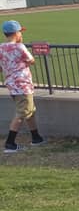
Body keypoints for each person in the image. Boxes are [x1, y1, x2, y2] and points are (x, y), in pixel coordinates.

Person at [1, 20, 45, 153]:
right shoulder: (20, 47)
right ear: (16, 33)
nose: (21, 34)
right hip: (23, 85)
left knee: (30, 110)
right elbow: (31, 60)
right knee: (22, 113)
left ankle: (36, 137)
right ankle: (10, 143)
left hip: (11, 84)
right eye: (20, 32)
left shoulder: (1, 47)